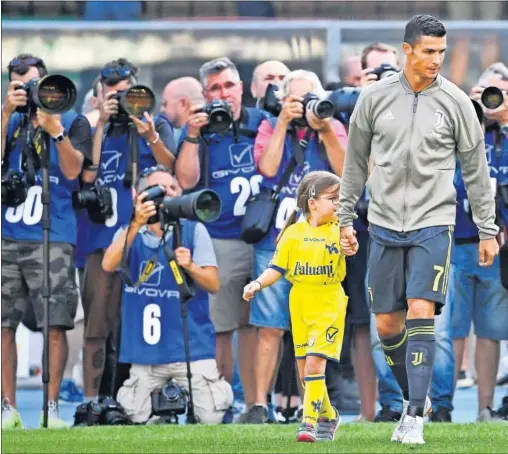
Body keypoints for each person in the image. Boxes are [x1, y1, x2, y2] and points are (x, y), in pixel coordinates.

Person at [338, 15, 499, 444]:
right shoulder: (372, 99)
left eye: (442, 53)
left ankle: (413, 417)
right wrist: (342, 219)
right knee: (388, 324)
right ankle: (416, 395)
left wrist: (488, 229)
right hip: (384, 223)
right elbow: (353, 165)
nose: (436, 60)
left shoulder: (458, 102)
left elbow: (477, 171)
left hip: (434, 222)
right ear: (406, 50)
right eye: (428, 51)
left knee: (420, 307)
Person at [241, 69, 347, 424]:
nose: (302, 106)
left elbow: (346, 169)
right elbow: (268, 167)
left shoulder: (331, 124)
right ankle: (258, 405)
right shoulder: (271, 126)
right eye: (294, 99)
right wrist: (284, 122)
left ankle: (311, 406)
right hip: (276, 242)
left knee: (314, 334)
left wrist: (324, 127)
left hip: (321, 248)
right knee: (269, 327)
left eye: (308, 98)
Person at [1, 54, 93, 428]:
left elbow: (74, 173)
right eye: (20, 85)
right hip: (7, 233)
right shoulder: (8, 119)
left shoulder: (72, 119)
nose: (29, 92)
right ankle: (7, 408)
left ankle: (51, 408)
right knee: (4, 325)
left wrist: (54, 128)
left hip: (54, 235)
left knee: (56, 324)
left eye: (34, 84)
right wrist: (7, 112)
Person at [79, 58, 176, 410]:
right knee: (97, 327)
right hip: (101, 241)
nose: (120, 100)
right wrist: (102, 122)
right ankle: (92, 402)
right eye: (113, 94)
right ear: (99, 96)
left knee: (137, 324)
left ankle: (136, 400)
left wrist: (148, 133)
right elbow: (84, 176)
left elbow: (173, 167)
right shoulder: (89, 126)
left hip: (149, 244)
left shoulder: (156, 124)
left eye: (127, 93)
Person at [102, 166, 233, 424]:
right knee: (133, 418)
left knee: (211, 418)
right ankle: (161, 414)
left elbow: (214, 284)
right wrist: (136, 222)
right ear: (140, 196)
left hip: (191, 351)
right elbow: (108, 265)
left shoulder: (194, 231)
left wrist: (192, 267)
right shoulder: (129, 232)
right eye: (158, 190)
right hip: (145, 355)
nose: (167, 196)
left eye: (172, 188)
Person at [175, 57, 266, 410]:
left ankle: (257, 403)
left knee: (258, 326)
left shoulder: (262, 122)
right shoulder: (198, 128)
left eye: (229, 85)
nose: (223, 94)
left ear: (242, 88)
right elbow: (185, 181)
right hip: (221, 239)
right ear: (203, 93)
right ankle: (221, 403)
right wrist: (194, 134)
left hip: (263, 239)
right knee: (223, 326)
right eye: (215, 88)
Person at [244, 170, 346, 443]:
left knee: (315, 364)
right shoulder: (292, 234)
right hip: (300, 304)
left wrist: (351, 242)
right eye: (333, 198)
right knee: (306, 372)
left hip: (329, 303)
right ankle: (329, 414)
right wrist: (257, 284)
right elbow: (276, 268)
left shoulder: (339, 229)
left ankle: (308, 423)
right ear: (312, 203)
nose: (339, 204)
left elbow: (351, 245)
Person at [451, 64, 508, 422]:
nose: (490, 101)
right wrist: (466, 113)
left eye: (497, 93)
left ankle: (485, 407)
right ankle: (441, 404)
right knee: (450, 329)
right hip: (455, 239)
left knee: (490, 330)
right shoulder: (463, 127)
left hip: (498, 246)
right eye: (484, 93)